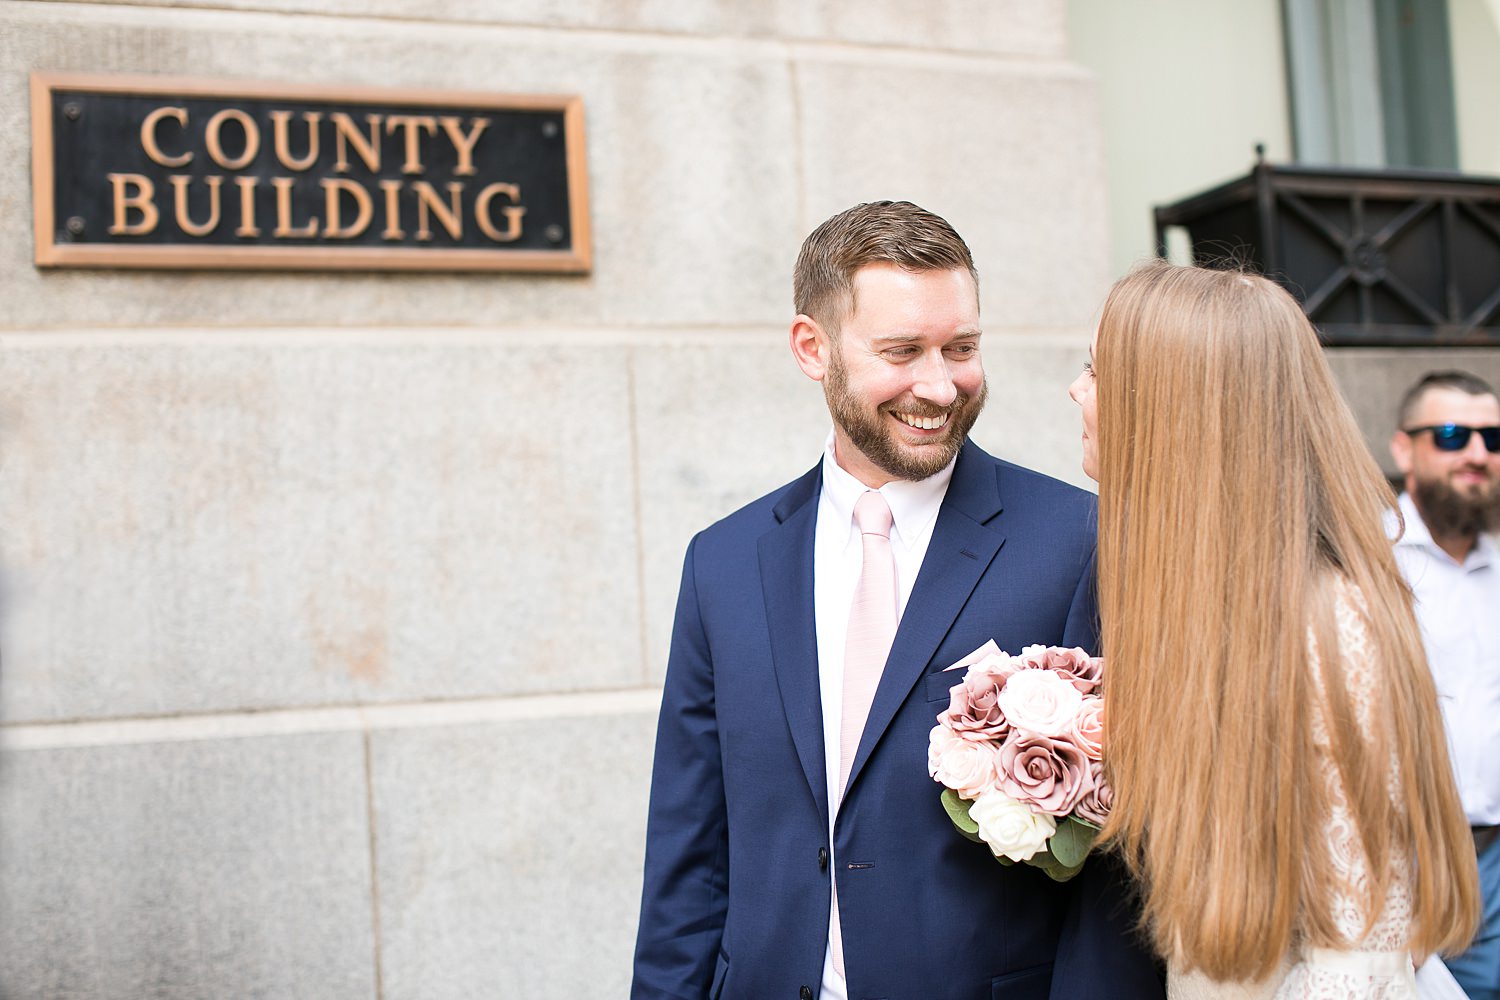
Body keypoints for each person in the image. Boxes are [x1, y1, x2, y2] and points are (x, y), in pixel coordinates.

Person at [632, 201, 1164, 1000]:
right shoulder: (724, 563)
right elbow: (690, 849)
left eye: (962, 348)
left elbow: (1120, 868)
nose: (940, 385)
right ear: (812, 348)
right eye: (902, 351)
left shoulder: (1079, 540)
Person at [1067, 260, 1480, 998]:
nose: (1077, 392)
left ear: (1169, 405)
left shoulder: (1333, 621)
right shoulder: (1202, 601)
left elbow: (1360, 957)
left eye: (1098, 372)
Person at [1389, 371, 1500, 999]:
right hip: (1407, 857)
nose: (1477, 454)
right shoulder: (1370, 557)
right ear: (1405, 449)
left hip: (1495, 859)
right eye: (1453, 435)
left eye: (1493, 437)